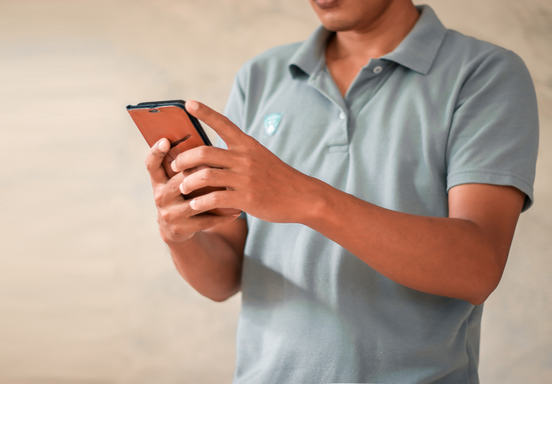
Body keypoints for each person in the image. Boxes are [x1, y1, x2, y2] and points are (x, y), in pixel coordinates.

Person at [144, 0, 538, 383]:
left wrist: (304, 198)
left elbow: (476, 268)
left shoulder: (485, 72)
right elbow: (224, 278)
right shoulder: (261, 76)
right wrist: (179, 232)